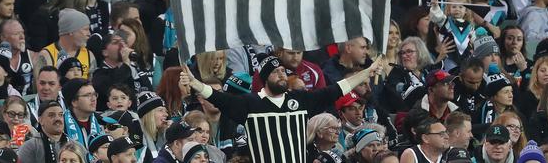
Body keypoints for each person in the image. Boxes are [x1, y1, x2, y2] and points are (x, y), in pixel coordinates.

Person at [181, 53, 383, 163]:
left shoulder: (301, 100)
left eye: (283, 71)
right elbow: (218, 98)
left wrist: (367, 72)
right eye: (276, 72)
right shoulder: (250, 104)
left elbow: (336, 90)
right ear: (265, 78)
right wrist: (194, 82)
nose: (282, 74)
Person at [36, 8, 96, 79]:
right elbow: (42, 88)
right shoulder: (47, 55)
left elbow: (91, 87)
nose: (89, 34)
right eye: (85, 29)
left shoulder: (89, 55)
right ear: (71, 31)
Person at [61, 78, 104, 150]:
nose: (93, 99)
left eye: (94, 94)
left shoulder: (103, 122)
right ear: (74, 102)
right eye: (88, 95)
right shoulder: (61, 125)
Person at [136, 91, 169, 162]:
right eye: (160, 110)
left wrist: (170, 134)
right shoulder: (137, 135)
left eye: (166, 111)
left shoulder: (162, 133)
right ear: (149, 114)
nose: (166, 114)